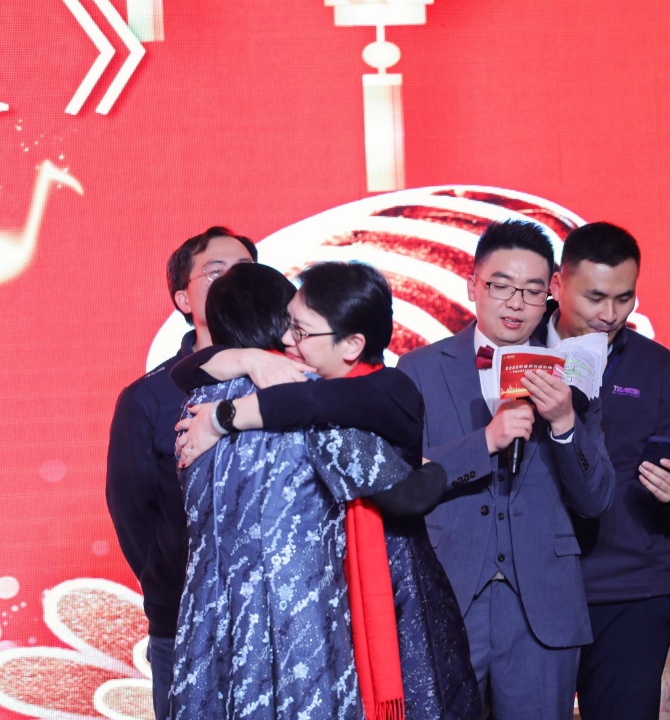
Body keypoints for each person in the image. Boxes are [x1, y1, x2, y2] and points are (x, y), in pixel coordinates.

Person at [173, 262, 481, 719]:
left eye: (299, 328)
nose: (288, 339)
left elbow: (186, 372)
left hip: (216, 616)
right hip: (308, 616)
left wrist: (230, 399)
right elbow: (404, 494)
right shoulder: (314, 407)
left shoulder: (196, 405)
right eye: (288, 324)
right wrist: (433, 469)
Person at [395, 219, 615, 720]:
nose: (517, 303)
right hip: (449, 591)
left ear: (550, 294)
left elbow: (596, 497)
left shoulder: (574, 372)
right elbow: (403, 479)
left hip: (542, 602)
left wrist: (564, 423)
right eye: (501, 286)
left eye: (533, 291)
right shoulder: (420, 369)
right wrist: (485, 442)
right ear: (473, 285)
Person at [531, 221, 670, 719]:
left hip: (632, 589)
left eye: (624, 298)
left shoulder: (656, 366)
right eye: (596, 297)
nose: (610, 314)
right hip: (534, 586)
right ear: (558, 284)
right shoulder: (518, 354)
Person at [105, 225, 255, 720]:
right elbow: (133, 515)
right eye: (216, 272)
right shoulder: (148, 397)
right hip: (184, 623)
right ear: (183, 299)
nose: (233, 282)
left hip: (280, 616)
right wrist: (174, 581)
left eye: (245, 271)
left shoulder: (292, 380)